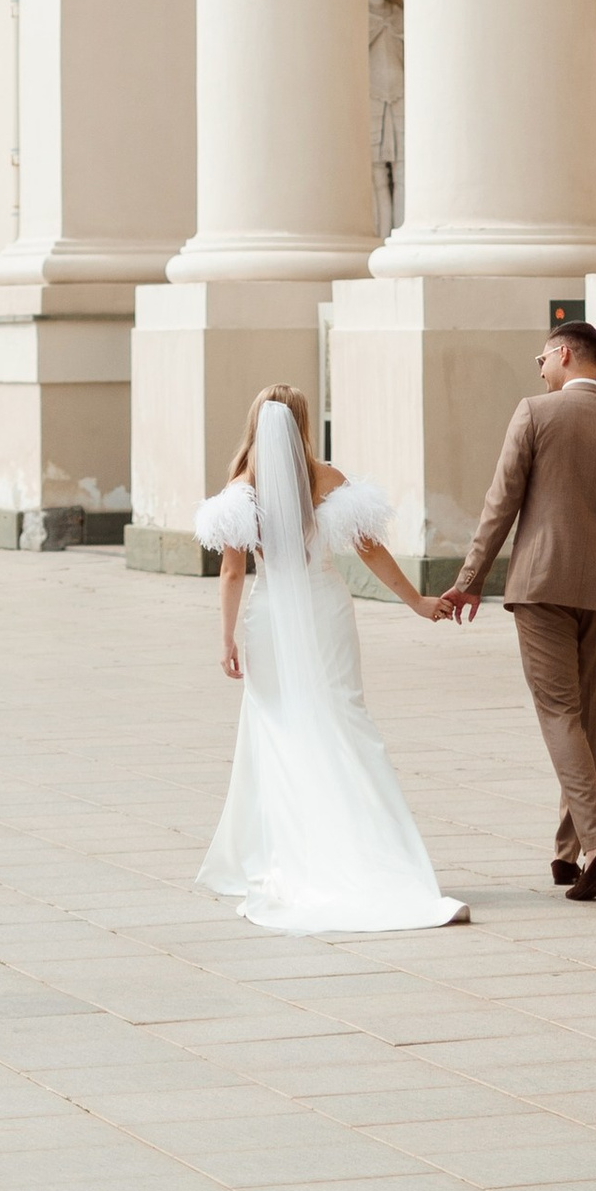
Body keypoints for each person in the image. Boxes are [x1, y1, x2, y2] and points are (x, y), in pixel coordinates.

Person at [192, 382, 465, 934]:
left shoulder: (241, 490)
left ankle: (295, 850)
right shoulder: (329, 479)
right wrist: (416, 602)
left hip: (270, 617)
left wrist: (226, 639)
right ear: (302, 424)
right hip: (326, 609)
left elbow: (231, 571)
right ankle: (375, 849)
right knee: (347, 719)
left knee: (278, 728)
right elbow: (370, 549)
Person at [440, 318, 596, 901]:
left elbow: (499, 503)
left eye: (542, 357)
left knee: (559, 714)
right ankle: (567, 855)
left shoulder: (534, 413)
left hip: (541, 586)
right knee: (585, 719)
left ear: (563, 354)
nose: (539, 367)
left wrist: (468, 581)